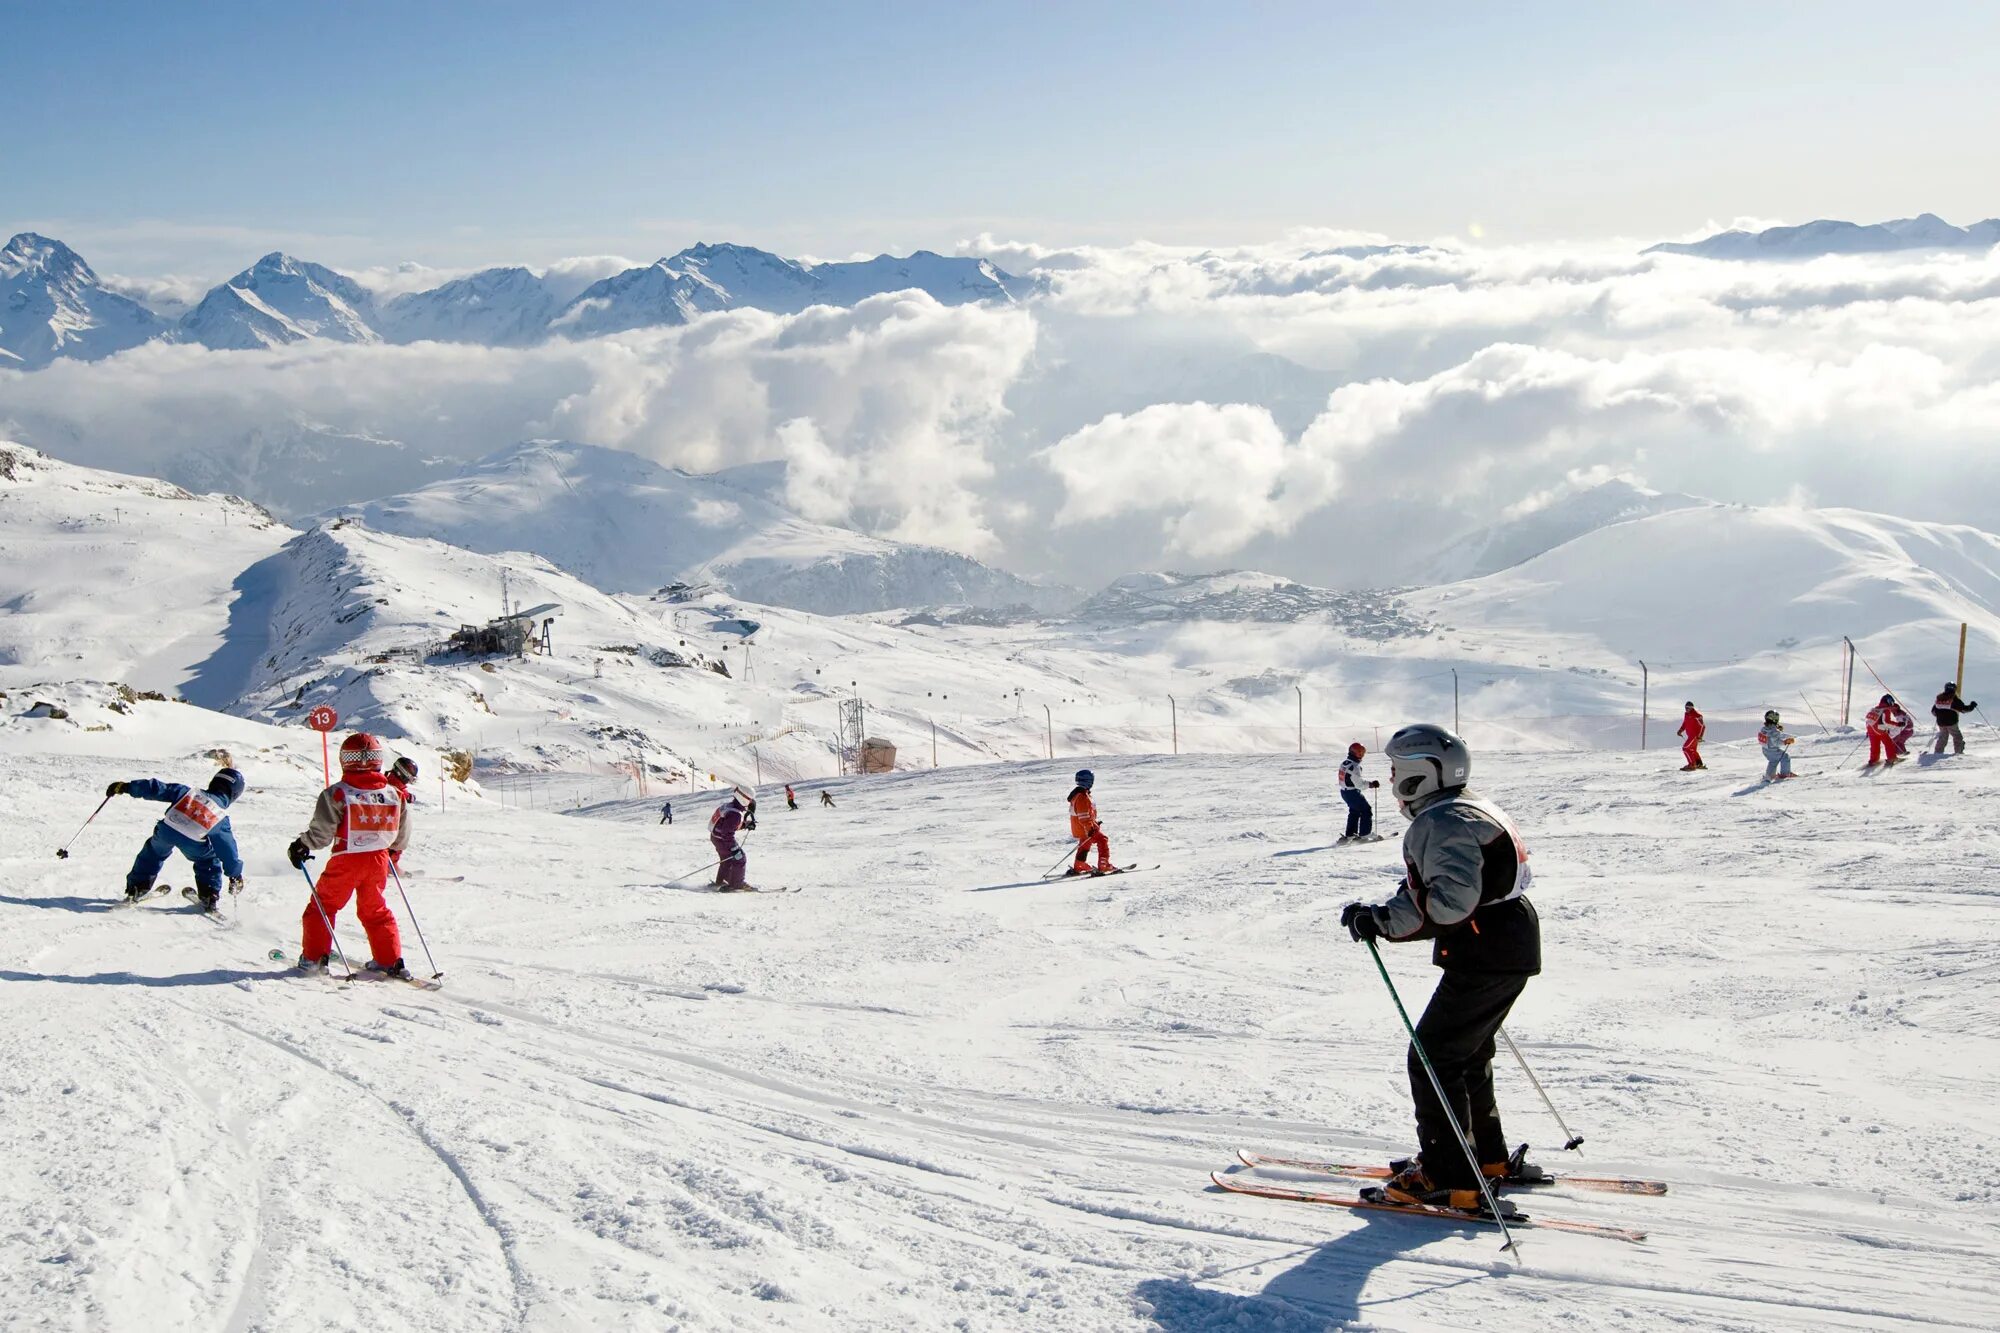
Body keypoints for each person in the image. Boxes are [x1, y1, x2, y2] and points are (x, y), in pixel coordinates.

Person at [1338, 724, 1541, 1213]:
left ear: (1419, 775)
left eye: (1396, 772)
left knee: (1432, 1057)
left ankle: (1450, 1175)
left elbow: (1447, 905)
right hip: (1506, 942)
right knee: (1465, 1054)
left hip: (1486, 948)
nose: (1390, 782)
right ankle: (1485, 1158)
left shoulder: (1441, 822)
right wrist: (1385, 915)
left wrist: (1380, 922)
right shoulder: (1470, 807)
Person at [287, 732, 411, 976]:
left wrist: (303, 844)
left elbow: (322, 833)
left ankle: (314, 958)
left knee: (323, 906)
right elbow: (402, 835)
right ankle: (388, 958)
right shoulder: (395, 794)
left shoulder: (338, 793)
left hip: (347, 859)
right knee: (375, 910)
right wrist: (392, 855)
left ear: (345, 759)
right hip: (378, 859)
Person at [107, 767, 246, 911]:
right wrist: (235, 875)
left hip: (167, 830)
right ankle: (209, 896)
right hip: (193, 842)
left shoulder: (188, 792)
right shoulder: (220, 816)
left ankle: (136, 888)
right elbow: (227, 848)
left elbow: (158, 789)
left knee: (153, 853)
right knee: (208, 861)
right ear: (234, 794)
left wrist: (126, 787)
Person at [1064, 769, 1113, 876]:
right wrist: (1090, 827)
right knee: (1102, 839)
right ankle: (1104, 865)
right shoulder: (1082, 796)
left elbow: (1084, 814)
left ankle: (1080, 864)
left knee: (1085, 843)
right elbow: (1084, 816)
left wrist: (1094, 823)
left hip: (1079, 827)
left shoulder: (1078, 794)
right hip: (1084, 827)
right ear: (1089, 781)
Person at [709, 786, 757, 891]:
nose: (751, 802)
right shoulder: (735, 814)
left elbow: (727, 825)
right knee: (740, 858)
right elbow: (727, 832)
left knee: (727, 860)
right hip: (722, 839)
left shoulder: (730, 806)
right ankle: (737, 884)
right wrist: (734, 849)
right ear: (744, 798)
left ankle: (721, 882)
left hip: (716, 837)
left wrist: (745, 825)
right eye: (750, 800)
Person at [1337, 742, 1380, 842]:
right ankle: (1365, 834)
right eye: (1359, 752)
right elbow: (1359, 785)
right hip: (1352, 793)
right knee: (1366, 810)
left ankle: (1350, 835)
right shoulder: (1355, 766)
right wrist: (1371, 784)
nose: (1361, 755)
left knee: (1354, 811)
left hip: (1344, 792)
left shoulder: (1345, 763)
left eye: (1362, 752)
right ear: (1353, 752)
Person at [1932, 682, 1979, 755]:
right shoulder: (1954, 699)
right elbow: (1964, 709)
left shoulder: (1939, 699)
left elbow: (1933, 711)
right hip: (1951, 722)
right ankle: (1958, 752)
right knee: (1957, 737)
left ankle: (1937, 753)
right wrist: (1972, 706)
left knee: (1943, 737)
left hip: (1941, 722)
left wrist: (1940, 715)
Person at [1865, 695, 1910, 767]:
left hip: (1870, 729)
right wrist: (1898, 724)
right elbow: (1887, 721)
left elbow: (1869, 720)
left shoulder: (1875, 708)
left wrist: (1868, 731)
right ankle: (1891, 758)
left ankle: (1873, 760)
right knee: (1888, 743)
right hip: (1879, 729)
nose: (1892, 704)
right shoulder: (1886, 710)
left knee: (1874, 745)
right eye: (1891, 702)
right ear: (1888, 701)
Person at [1759, 709, 1796, 779]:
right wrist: (1785, 742)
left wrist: (1777, 729)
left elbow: (1770, 736)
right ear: (1774, 719)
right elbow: (1776, 742)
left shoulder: (1764, 729)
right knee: (1785, 757)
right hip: (1772, 750)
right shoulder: (1774, 731)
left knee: (1773, 761)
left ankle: (1769, 775)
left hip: (1765, 750)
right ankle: (1785, 774)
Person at [1677, 701, 1706, 771]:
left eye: (1688, 708)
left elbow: (1703, 726)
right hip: (1690, 736)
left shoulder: (1697, 715)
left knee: (1685, 748)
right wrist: (1680, 730)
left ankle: (1692, 765)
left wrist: (1700, 736)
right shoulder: (1686, 714)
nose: (1686, 709)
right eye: (1685, 708)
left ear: (1692, 708)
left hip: (1694, 736)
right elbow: (1685, 723)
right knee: (1692, 750)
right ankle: (1699, 764)